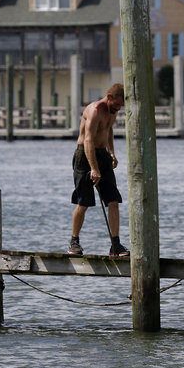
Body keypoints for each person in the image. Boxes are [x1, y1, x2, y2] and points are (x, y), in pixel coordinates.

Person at [68, 83, 129, 258]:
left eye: (120, 106)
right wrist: (94, 169)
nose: (118, 108)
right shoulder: (94, 110)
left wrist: (112, 153)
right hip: (85, 155)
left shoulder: (113, 111)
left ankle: (115, 245)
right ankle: (74, 242)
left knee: (113, 200)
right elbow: (88, 141)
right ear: (109, 98)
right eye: (116, 105)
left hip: (102, 154)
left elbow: (108, 130)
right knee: (83, 202)